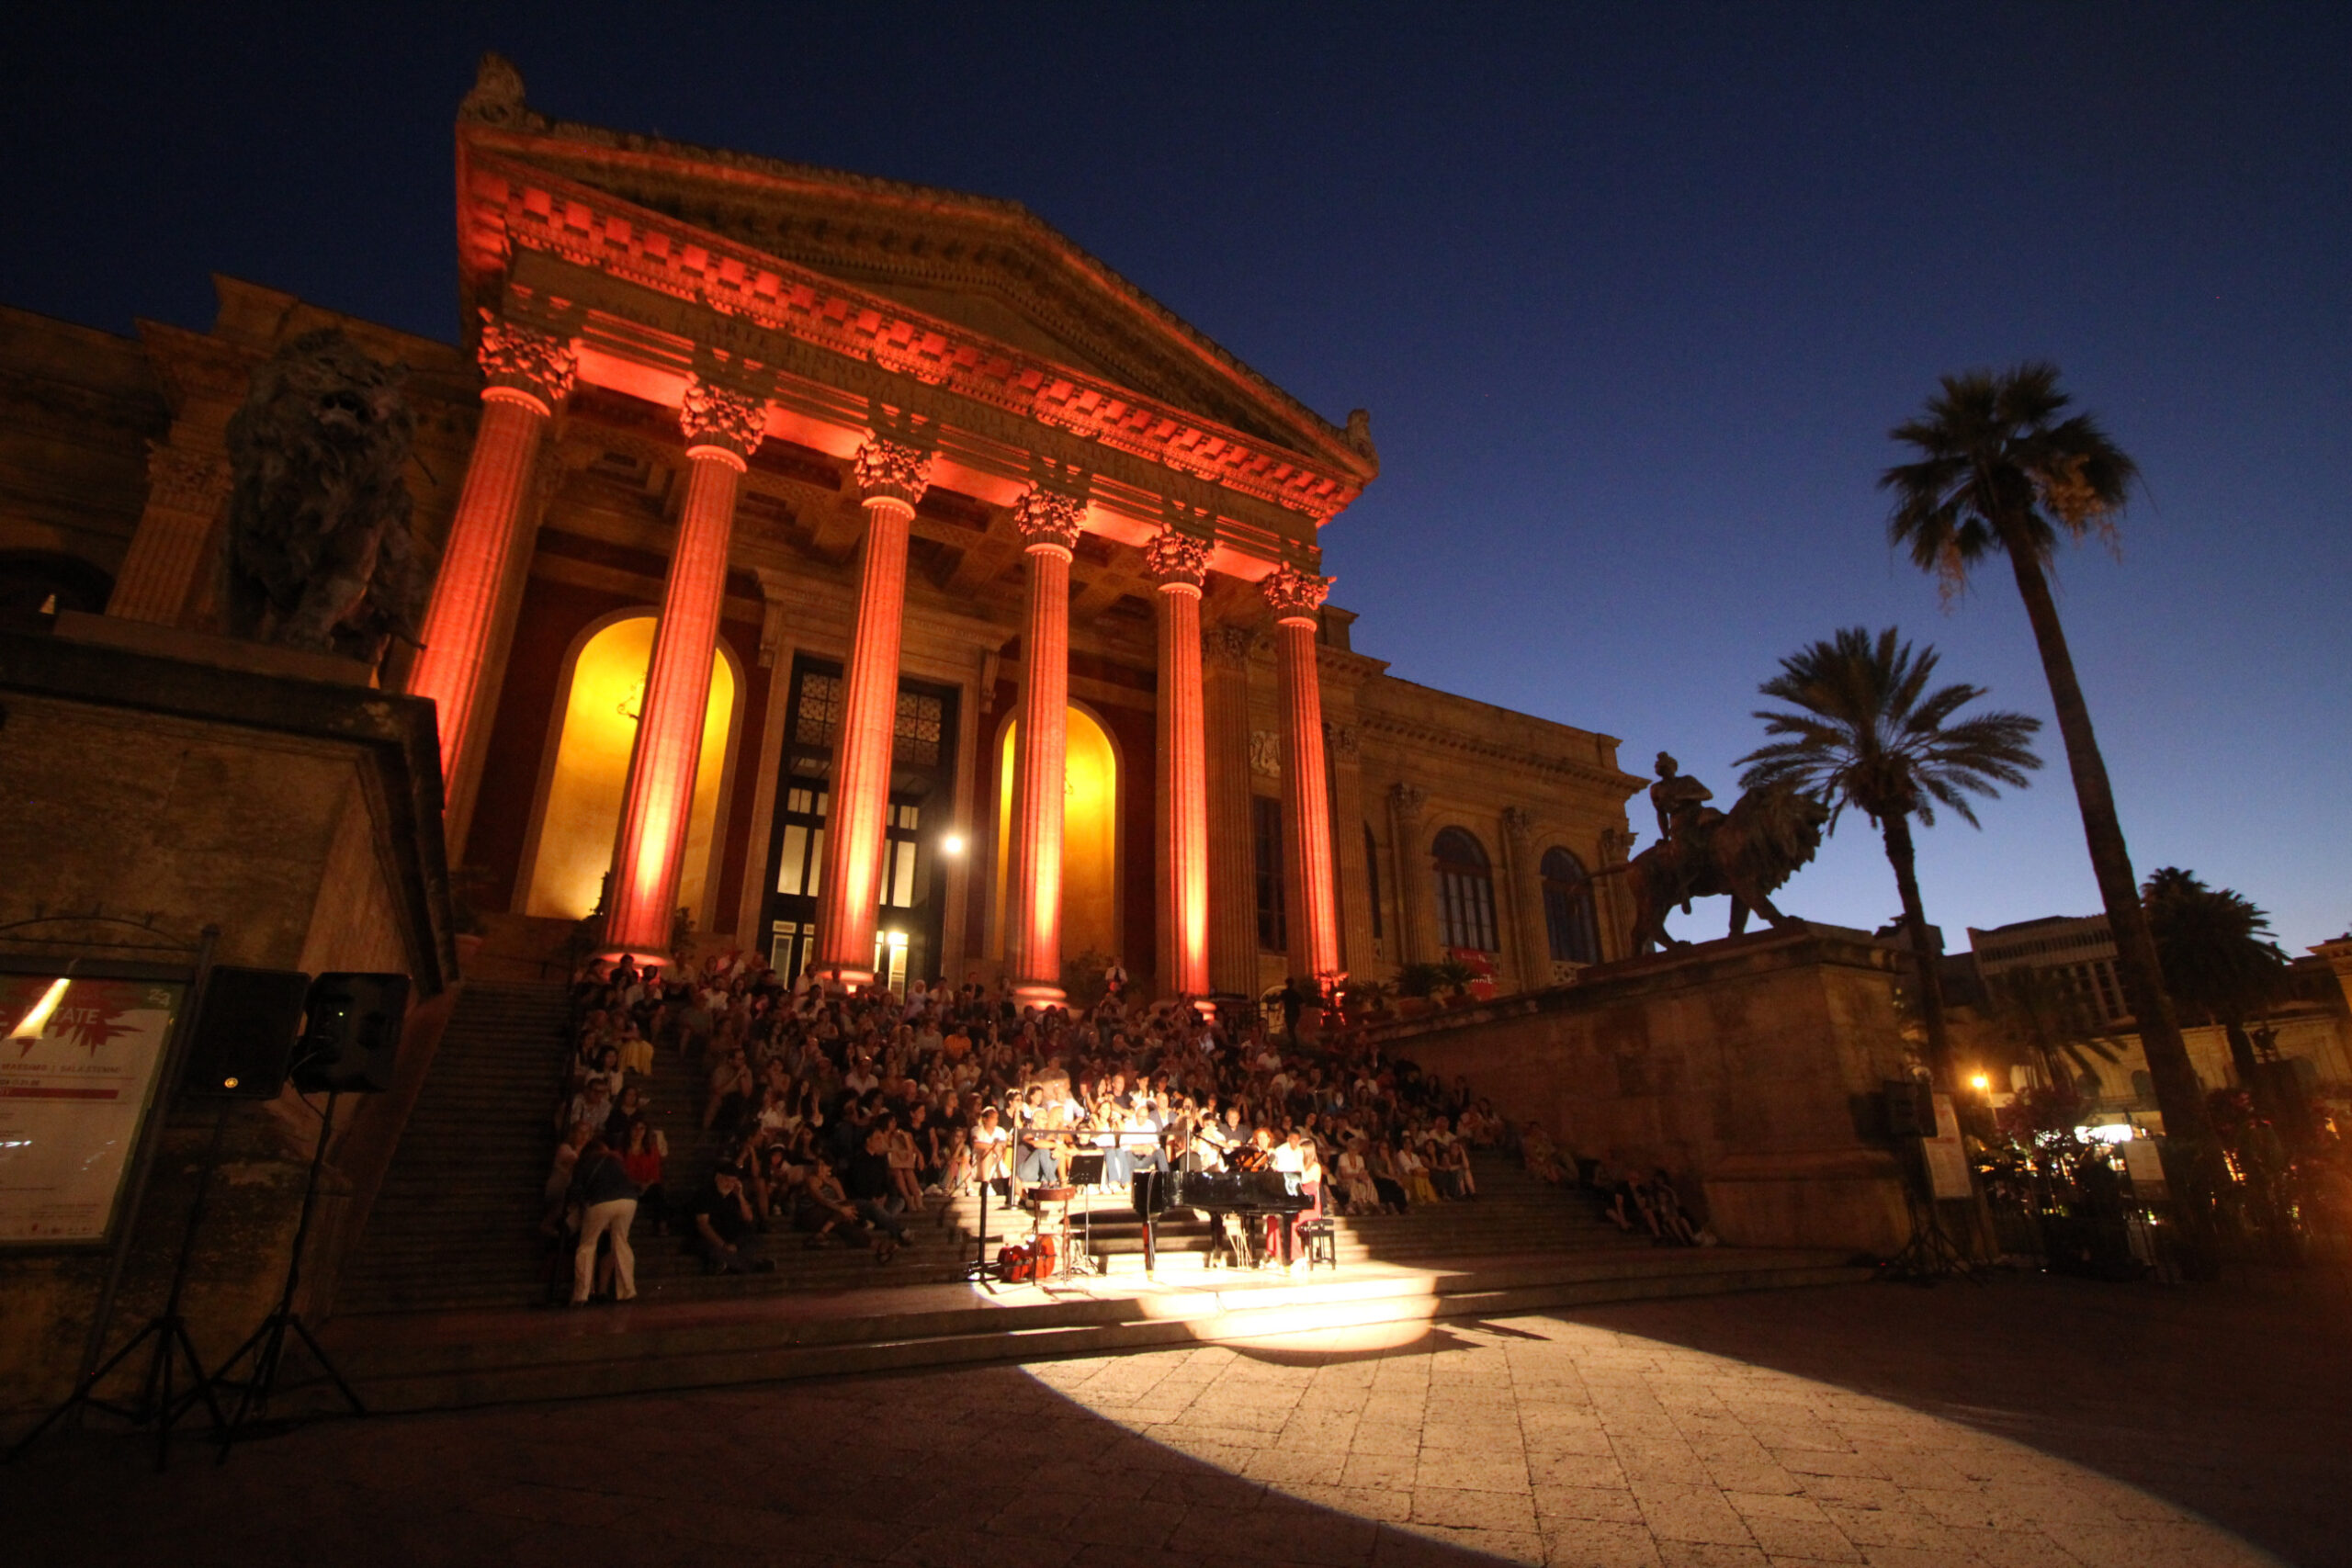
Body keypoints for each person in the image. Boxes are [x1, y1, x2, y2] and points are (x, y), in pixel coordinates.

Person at [568, 1135, 639, 1304]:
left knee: (587, 1245)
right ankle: (627, 1290)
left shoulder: (584, 1162)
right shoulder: (616, 1160)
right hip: (628, 1200)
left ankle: (581, 1294)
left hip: (600, 1201)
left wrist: (579, 1204)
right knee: (621, 1243)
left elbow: (575, 1189)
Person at [690, 1165, 770, 1274]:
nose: (729, 1184)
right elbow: (703, 1225)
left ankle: (727, 1265)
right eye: (727, 1180)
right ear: (717, 1178)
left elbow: (748, 1218)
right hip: (712, 1238)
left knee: (755, 1240)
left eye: (733, 1181)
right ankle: (753, 1266)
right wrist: (723, 1245)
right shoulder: (705, 1194)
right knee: (712, 1250)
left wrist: (740, 1196)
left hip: (731, 1237)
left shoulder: (733, 1195)